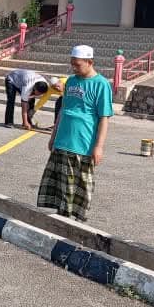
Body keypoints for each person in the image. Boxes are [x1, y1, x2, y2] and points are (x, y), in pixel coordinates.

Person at [37, 45, 113, 222]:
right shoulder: (71, 81)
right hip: (63, 140)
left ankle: (74, 221)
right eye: (72, 64)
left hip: (83, 144)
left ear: (90, 62)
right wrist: (53, 135)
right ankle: (61, 217)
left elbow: (104, 118)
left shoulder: (101, 85)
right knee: (60, 183)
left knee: (78, 184)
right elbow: (63, 110)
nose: (74, 68)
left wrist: (99, 147)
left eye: (78, 65)